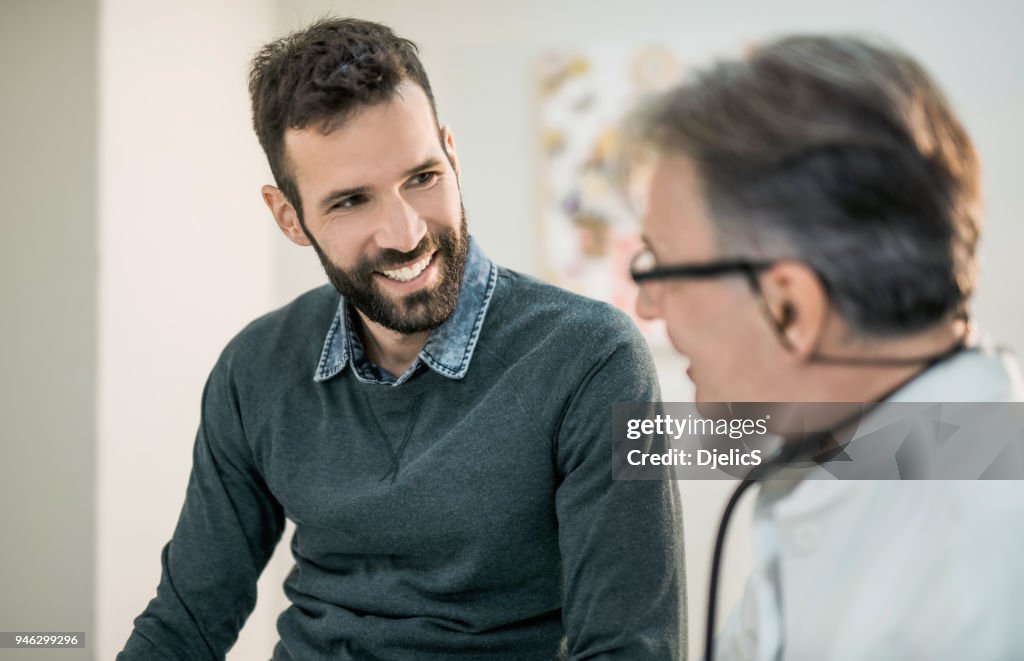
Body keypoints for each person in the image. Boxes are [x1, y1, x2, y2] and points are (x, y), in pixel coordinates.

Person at [118, 17, 685, 660]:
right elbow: (185, 623)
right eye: (351, 201)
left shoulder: (590, 358)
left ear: (451, 153)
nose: (405, 232)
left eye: (422, 177)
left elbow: (629, 649)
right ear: (289, 216)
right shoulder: (256, 368)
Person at [628, 34, 1024, 659]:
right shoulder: (847, 451)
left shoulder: (990, 558)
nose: (647, 305)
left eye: (662, 271)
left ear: (789, 308)